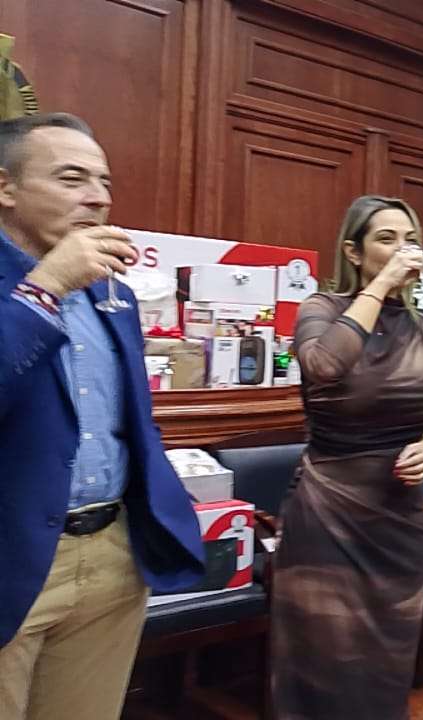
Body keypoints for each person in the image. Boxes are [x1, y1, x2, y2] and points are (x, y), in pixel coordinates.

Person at [0, 113, 204, 719]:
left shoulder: (112, 294)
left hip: (112, 555)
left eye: (104, 182)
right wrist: (45, 286)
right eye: (72, 179)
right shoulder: (54, 281)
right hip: (12, 557)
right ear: (6, 188)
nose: (98, 197)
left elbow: (132, 418)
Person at [271, 195, 423, 719]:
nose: (402, 249)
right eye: (386, 239)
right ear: (354, 251)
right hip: (331, 513)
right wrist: (381, 285)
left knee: (382, 670)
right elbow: (324, 365)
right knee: (326, 664)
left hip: (400, 518)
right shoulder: (321, 309)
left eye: (410, 239)